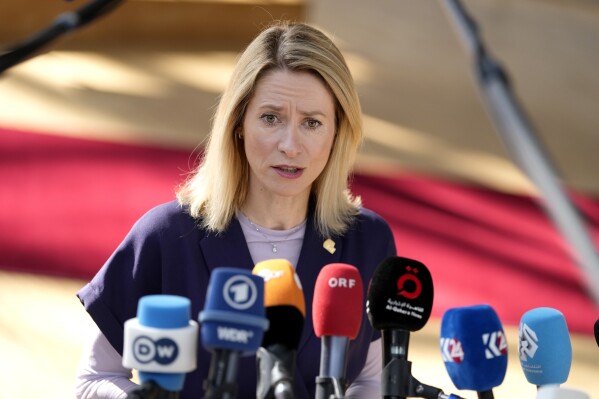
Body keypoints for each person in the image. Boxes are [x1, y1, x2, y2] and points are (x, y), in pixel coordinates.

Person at [75, 21, 396, 399]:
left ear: (337, 132)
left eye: (312, 123)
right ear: (239, 122)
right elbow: (94, 381)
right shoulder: (164, 237)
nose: (290, 145)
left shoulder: (368, 241)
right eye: (271, 117)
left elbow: (371, 381)